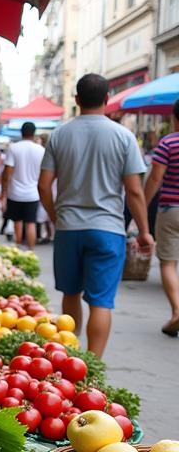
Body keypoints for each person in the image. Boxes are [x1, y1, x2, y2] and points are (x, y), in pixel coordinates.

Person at [38, 73, 153, 357]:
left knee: (70, 294)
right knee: (101, 302)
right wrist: (145, 231)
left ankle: (68, 358)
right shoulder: (124, 137)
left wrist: (56, 218)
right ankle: (94, 365)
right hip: (108, 229)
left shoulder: (59, 134)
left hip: (68, 228)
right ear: (106, 100)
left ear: (76, 100)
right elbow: (134, 191)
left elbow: (43, 185)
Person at [143, 99, 179, 336]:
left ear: (174, 118)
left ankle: (177, 311)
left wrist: (142, 205)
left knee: (167, 263)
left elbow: (155, 178)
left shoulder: (168, 143)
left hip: (171, 209)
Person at [1, 122, 44, 249]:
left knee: (17, 222)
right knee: (31, 223)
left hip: (15, 193)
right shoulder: (41, 150)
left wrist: (3, 192)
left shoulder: (14, 148)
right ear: (34, 133)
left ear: (21, 132)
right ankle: (31, 251)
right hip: (33, 194)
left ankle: (18, 248)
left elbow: (7, 173)